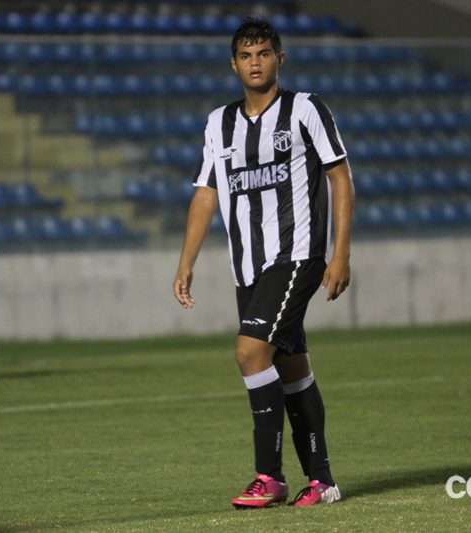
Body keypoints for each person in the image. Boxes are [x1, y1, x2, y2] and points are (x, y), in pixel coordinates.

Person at [173, 18, 355, 508]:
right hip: (247, 270)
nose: (256, 62)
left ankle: (268, 477)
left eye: (264, 53)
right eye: (247, 55)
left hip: (297, 256)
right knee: (292, 370)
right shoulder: (218, 123)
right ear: (234, 64)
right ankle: (323, 482)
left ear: (279, 58)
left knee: (250, 353)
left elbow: (339, 176)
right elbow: (206, 193)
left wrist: (340, 253)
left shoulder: (306, 109)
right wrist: (186, 261)